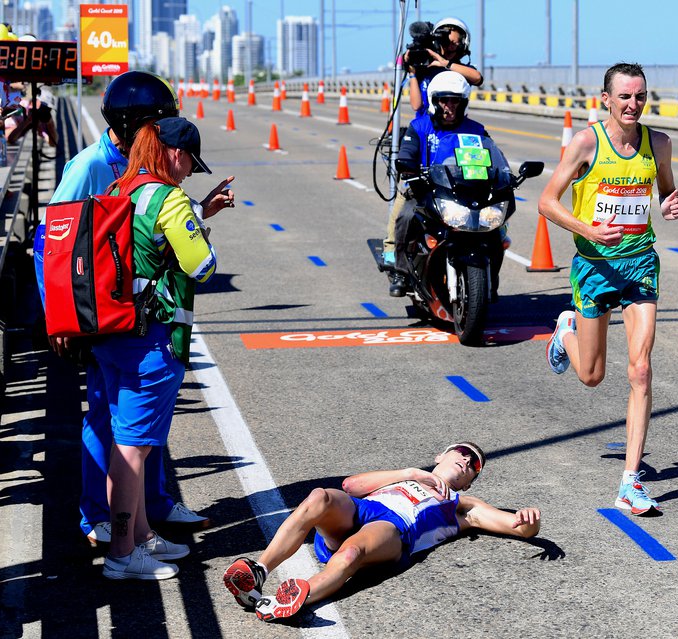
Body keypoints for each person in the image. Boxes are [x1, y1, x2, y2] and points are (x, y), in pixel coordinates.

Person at [33, 71, 235, 547]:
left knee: (139, 420)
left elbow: (147, 233)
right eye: (158, 123)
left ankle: (155, 504)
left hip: (127, 310)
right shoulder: (89, 167)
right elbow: (52, 243)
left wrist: (199, 211)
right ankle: (98, 516)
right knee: (107, 414)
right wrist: (57, 316)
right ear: (136, 125)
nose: (163, 132)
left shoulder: (138, 168)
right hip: (97, 312)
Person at [537, 62, 678, 516]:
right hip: (595, 264)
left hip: (640, 262)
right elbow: (546, 203)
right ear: (606, 99)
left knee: (641, 369)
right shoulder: (587, 142)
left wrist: (671, 203)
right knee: (592, 375)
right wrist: (588, 229)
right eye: (624, 96)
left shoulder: (658, 143)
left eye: (639, 96)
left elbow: (666, 192)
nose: (632, 104)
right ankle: (566, 331)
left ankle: (629, 482)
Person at [99, 116, 223, 579]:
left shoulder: (120, 188)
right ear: (173, 153)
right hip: (151, 338)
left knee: (129, 440)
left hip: (113, 332)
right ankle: (122, 551)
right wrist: (199, 227)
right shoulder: (169, 198)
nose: (190, 170)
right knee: (132, 448)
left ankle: (143, 535)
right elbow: (203, 267)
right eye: (190, 159)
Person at [222, 442, 541, 622]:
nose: (467, 459)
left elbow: (518, 527)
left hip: (395, 530)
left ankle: (291, 600)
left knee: (351, 552)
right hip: (363, 510)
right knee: (320, 497)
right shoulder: (404, 477)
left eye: (475, 464)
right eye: (462, 451)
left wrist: (528, 521)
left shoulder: (462, 503)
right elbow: (350, 486)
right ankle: (258, 570)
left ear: (470, 481)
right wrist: (411, 473)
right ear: (441, 456)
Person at [387, 70, 489, 295]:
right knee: (405, 218)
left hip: (465, 193)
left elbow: (490, 158)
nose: (449, 107)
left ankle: (489, 277)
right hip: (426, 191)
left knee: (495, 227)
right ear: (434, 101)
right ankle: (401, 272)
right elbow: (407, 152)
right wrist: (407, 166)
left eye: (455, 101)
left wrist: (503, 176)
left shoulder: (475, 130)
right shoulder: (420, 126)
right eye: (444, 100)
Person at [404, 17, 482, 117]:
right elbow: (416, 106)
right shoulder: (425, 68)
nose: (449, 47)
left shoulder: (462, 71)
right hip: (427, 127)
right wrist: (412, 72)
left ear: (463, 44)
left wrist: (446, 64)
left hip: (455, 127)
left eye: (454, 43)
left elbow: (477, 78)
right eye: (445, 42)